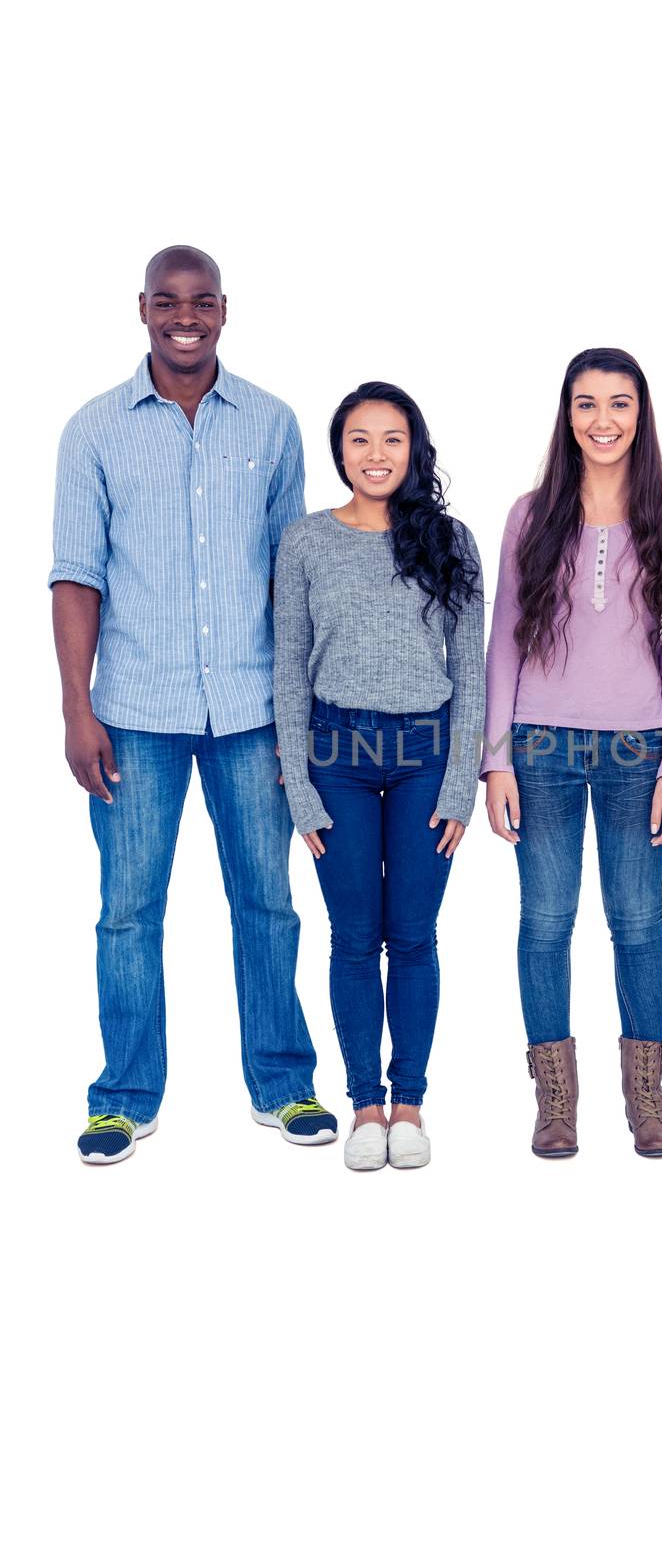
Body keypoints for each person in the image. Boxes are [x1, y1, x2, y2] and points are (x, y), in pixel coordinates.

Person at [51, 245, 336, 1165]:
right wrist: (75, 709)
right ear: (142, 310)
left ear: (224, 309)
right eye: (168, 301)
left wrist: (300, 712)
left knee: (268, 902)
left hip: (253, 710)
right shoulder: (94, 430)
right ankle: (123, 1098)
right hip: (134, 710)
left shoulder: (273, 423)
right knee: (127, 910)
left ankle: (285, 1085)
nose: (186, 316)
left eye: (202, 301)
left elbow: (290, 582)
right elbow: (75, 577)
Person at [483, 347, 662, 1160]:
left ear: (640, 415)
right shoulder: (528, 514)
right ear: (566, 416)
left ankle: (646, 1097)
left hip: (640, 750)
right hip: (538, 746)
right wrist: (495, 760)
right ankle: (555, 1103)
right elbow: (501, 643)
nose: (601, 420)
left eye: (618, 404)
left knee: (638, 921)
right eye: (585, 404)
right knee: (545, 921)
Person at [273, 383, 484, 1172]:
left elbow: (472, 670)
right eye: (359, 440)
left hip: (428, 757)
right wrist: (300, 787)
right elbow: (287, 672)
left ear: (413, 448)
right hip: (339, 759)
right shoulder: (304, 542)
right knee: (355, 939)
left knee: (415, 936)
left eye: (391, 439)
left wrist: (461, 781)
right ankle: (364, 1104)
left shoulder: (450, 540)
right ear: (339, 452)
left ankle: (411, 1105)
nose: (375, 455)